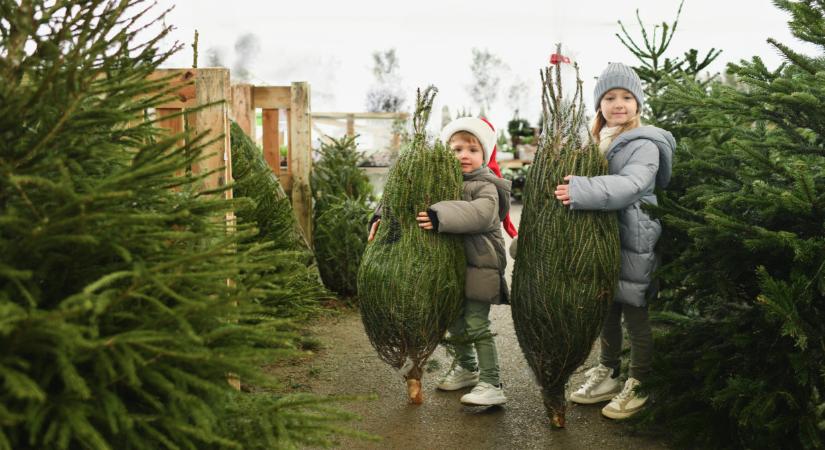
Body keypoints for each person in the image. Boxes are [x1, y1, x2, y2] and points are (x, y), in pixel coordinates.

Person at [554, 62, 675, 419]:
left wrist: (581, 189)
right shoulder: (595, 141)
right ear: (599, 105)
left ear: (638, 103)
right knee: (606, 308)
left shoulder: (645, 144)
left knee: (635, 314)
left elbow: (632, 185)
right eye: (609, 97)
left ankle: (640, 381)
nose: (618, 103)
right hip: (602, 241)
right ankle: (606, 370)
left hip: (634, 238)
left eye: (626, 96)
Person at [369, 117, 516, 406]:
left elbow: (483, 213)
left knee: (476, 324)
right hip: (449, 267)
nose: (464, 155)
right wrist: (380, 215)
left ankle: (492, 382)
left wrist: (439, 216)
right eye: (457, 148)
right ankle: (467, 368)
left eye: (473, 149)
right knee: (455, 322)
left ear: (484, 155)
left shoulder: (486, 185)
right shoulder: (436, 181)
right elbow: (403, 194)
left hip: (479, 264)